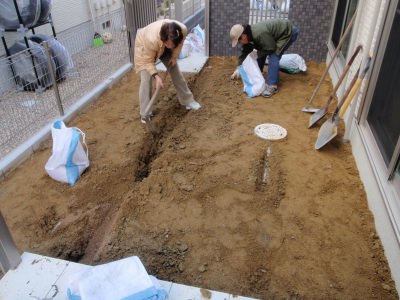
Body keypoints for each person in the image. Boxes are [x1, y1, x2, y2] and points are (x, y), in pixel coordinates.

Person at [134, 20, 201, 123]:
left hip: (162, 45)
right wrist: (156, 77)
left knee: (175, 70)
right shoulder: (150, 39)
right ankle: (145, 113)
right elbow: (147, 62)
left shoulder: (181, 30)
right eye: (167, 44)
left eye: (171, 45)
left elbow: (179, 44)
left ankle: (188, 100)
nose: (169, 46)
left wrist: (174, 56)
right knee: (146, 79)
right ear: (164, 39)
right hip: (144, 46)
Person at [230, 19, 299, 97]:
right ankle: (259, 72)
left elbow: (271, 48)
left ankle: (272, 86)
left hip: (287, 32)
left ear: (243, 36)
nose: (240, 43)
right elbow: (244, 53)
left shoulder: (259, 34)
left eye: (239, 40)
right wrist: (239, 67)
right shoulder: (249, 35)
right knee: (260, 50)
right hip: (274, 36)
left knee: (273, 56)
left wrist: (258, 54)